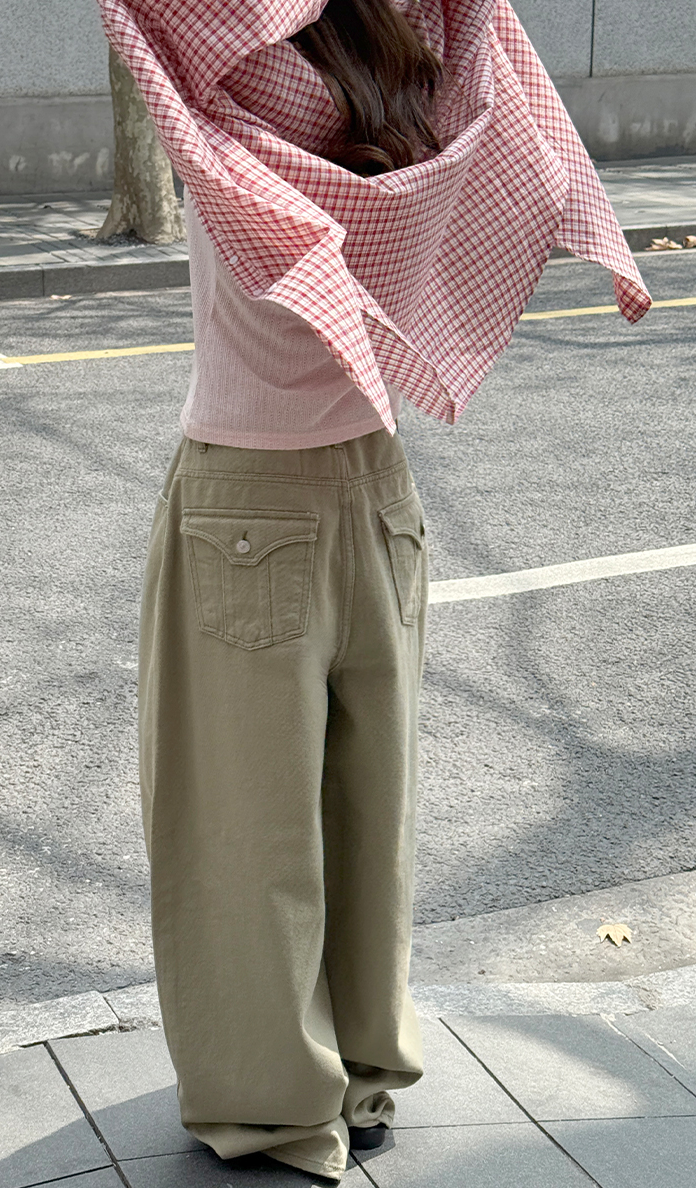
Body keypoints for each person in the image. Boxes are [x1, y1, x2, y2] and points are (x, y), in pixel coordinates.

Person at [100, 0, 650, 1180]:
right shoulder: (422, 107)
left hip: (248, 490)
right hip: (378, 487)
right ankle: (364, 1073)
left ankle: (274, 1108)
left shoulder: (229, 100)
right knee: (369, 810)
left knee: (243, 834)